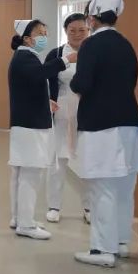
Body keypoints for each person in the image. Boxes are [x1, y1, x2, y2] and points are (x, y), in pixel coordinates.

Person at [70, 0, 138, 268]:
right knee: (125, 187)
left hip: (101, 126)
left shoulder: (91, 45)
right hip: (129, 123)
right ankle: (121, 242)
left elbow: (82, 83)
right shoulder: (126, 45)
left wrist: (75, 84)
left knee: (102, 188)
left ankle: (102, 249)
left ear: (92, 19)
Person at [8, 19, 75, 240]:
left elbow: (30, 87)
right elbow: (41, 73)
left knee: (22, 174)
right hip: (30, 126)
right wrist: (66, 60)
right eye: (40, 33)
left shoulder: (26, 57)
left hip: (27, 123)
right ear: (27, 38)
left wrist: (46, 103)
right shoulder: (24, 57)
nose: (44, 37)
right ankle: (26, 224)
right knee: (30, 174)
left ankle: (20, 218)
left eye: (46, 33)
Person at [44, 13, 92, 224]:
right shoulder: (56, 54)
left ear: (88, 30)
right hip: (61, 111)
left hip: (88, 112)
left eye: (82, 30)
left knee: (87, 160)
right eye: (72, 30)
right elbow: (44, 79)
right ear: (65, 31)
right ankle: (54, 206)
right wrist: (48, 101)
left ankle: (89, 207)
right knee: (58, 161)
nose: (77, 34)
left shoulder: (95, 53)